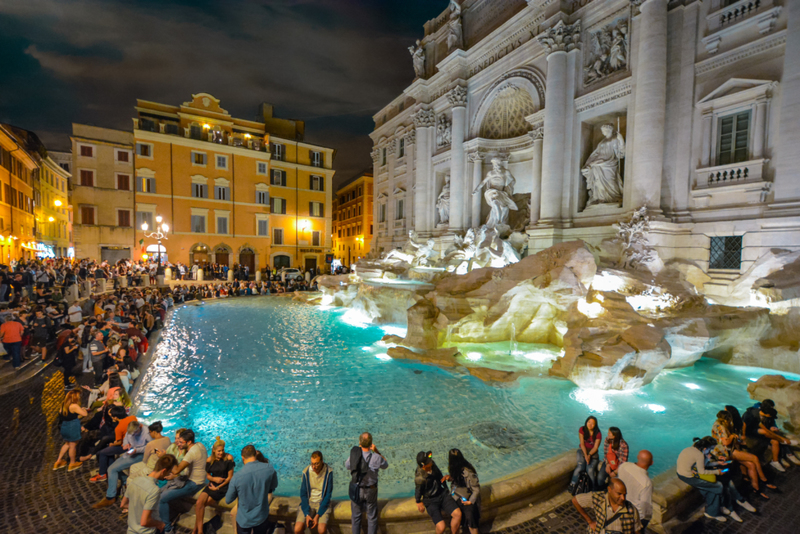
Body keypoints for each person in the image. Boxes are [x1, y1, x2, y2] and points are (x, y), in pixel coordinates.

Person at [676, 436, 750, 523]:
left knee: (712, 490)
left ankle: (716, 509)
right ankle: (715, 510)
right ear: (705, 448)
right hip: (688, 476)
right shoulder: (699, 455)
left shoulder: (691, 449)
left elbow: (700, 465)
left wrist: (716, 462)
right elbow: (702, 472)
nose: (710, 451)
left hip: (682, 472)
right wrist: (717, 472)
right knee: (718, 486)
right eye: (710, 449)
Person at [712, 410, 774, 499]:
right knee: (754, 458)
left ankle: (756, 489)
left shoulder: (717, 423)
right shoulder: (721, 427)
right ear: (727, 419)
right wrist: (733, 436)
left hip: (726, 451)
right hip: (726, 452)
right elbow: (725, 442)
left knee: (751, 465)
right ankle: (765, 480)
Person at [94, 419, 153, 508]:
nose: (133, 435)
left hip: (140, 455)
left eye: (135, 433)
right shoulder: (131, 430)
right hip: (130, 452)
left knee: (112, 469)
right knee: (112, 468)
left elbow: (150, 447)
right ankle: (125, 481)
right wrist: (126, 445)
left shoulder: (147, 432)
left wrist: (137, 450)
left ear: (140, 427)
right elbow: (126, 437)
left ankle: (110, 497)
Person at [158, 429, 208, 532]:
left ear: (189, 442)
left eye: (181, 442)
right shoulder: (199, 445)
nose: (178, 444)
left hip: (194, 484)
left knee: (162, 498)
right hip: (198, 480)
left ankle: (167, 528)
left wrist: (165, 457)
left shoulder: (192, 453)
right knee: (163, 490)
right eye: (178, 441)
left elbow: (176, 470)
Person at [226, 444, 279, 534]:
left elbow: (228, 499)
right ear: (255, 455)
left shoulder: (237, 477)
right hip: (261, 517)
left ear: (243, 458)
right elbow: (274, 486)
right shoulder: (269, 468)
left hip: (244, 520)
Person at [121, 454, 177, 534]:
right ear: (164, 471)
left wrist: (139, 510)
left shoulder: (135, 480)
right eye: (168, 473)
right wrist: (160, 524)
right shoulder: (154, 490)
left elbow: (123, 504)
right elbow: (144, 522)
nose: (167, 475)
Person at [345, 432, 389, 534]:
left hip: (357, 489)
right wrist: (377, 451)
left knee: (356, 517)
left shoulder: (354, 456)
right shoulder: (376, 457)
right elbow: (385, 464)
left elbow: (347, 466)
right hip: (371, 489)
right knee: (372, 517)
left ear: (360, 442)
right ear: (371, 443)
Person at [192, 437, 235, 534]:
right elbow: (207, 475)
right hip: (212, 484)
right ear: (214, 450)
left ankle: (197, 531)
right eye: (219, 451)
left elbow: (230, 478)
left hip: (223, 487)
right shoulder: (209, 460)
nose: (221, 453)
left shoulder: (228, 458)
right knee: (199, 503)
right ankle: (199, 531)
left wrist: (218, 487)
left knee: (201, 505)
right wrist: (214, 479)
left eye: (222, 450)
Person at [572, 478, 642, 534]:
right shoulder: (599, 498)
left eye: (624, 494)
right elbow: (575, 500)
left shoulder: (631, 510)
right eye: (619, 494)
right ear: (609, 489)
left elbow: (637, 531)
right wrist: (590, 521)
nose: (623, 498)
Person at [414, 451, 461, 534]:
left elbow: (440, 476)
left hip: (442, 494)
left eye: (430, 457)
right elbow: (418, 491)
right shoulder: (420, 478)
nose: (431, 460)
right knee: (441, 527)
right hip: (431, 501)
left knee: (458, 514)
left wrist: (446, 482)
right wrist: (418, 502)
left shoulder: (433, 465)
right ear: (424, 465)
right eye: (429, 460)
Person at [742, 403, 797, 472]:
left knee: (775, 442)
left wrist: (772, 430)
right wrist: (743, 435)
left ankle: (775, 461)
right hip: (750, 432)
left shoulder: (761, 415)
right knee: (765, 432)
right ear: (767, 414)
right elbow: (744, 425)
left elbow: (766, 429)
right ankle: (784, 442)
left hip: (758, 431)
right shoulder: (753, 415)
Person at [295, 451, 334, 534]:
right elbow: (303, 494)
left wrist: (318, 515)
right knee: (297, 529)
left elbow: (328, 495)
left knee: (321, 530)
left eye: (316, 464)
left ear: (322, 462)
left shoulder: (328, 472)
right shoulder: (306, 472)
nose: (314, 467)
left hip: (322, 502)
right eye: (312, 464)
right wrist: (307, 514)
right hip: (309, 502)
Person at [53, 389, 88, 472]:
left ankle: (58, 461)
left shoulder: (63, 405)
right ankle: (72, 463)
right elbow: (85, 414)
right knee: (73, 445)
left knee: (67, 444)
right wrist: (84, 409)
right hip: (72, 426)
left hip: (64, 426)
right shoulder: (74, 406)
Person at [617, 451, 654, 529]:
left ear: (638, 457)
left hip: (618, 506)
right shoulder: (646, 482)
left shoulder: (624, 466)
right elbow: (645, 507)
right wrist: (647, 517)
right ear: (651, 463)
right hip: (633, 515)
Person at [447, 449, 480, 534]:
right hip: (458, 495)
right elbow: (457, 482)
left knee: (470, 516)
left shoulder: (469, 472)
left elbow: (476, 489)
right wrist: (451, 478)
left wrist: (470, 501)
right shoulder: (454, 469)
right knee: (455, 514)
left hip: (468, 498)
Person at [569, 416, 602, 493]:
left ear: (595, 425)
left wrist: (589, 455)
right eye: (589, 422)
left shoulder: (598, 433)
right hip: (582, 451)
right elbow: (582, 444)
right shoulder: (582, 429)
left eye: (593, 423)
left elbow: (596, 447)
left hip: (593, 454)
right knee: (580, 466)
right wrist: (585, 455)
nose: (590, 424)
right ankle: (572, 484)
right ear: (586, 422)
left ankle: (593, 487)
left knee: (590, 470)